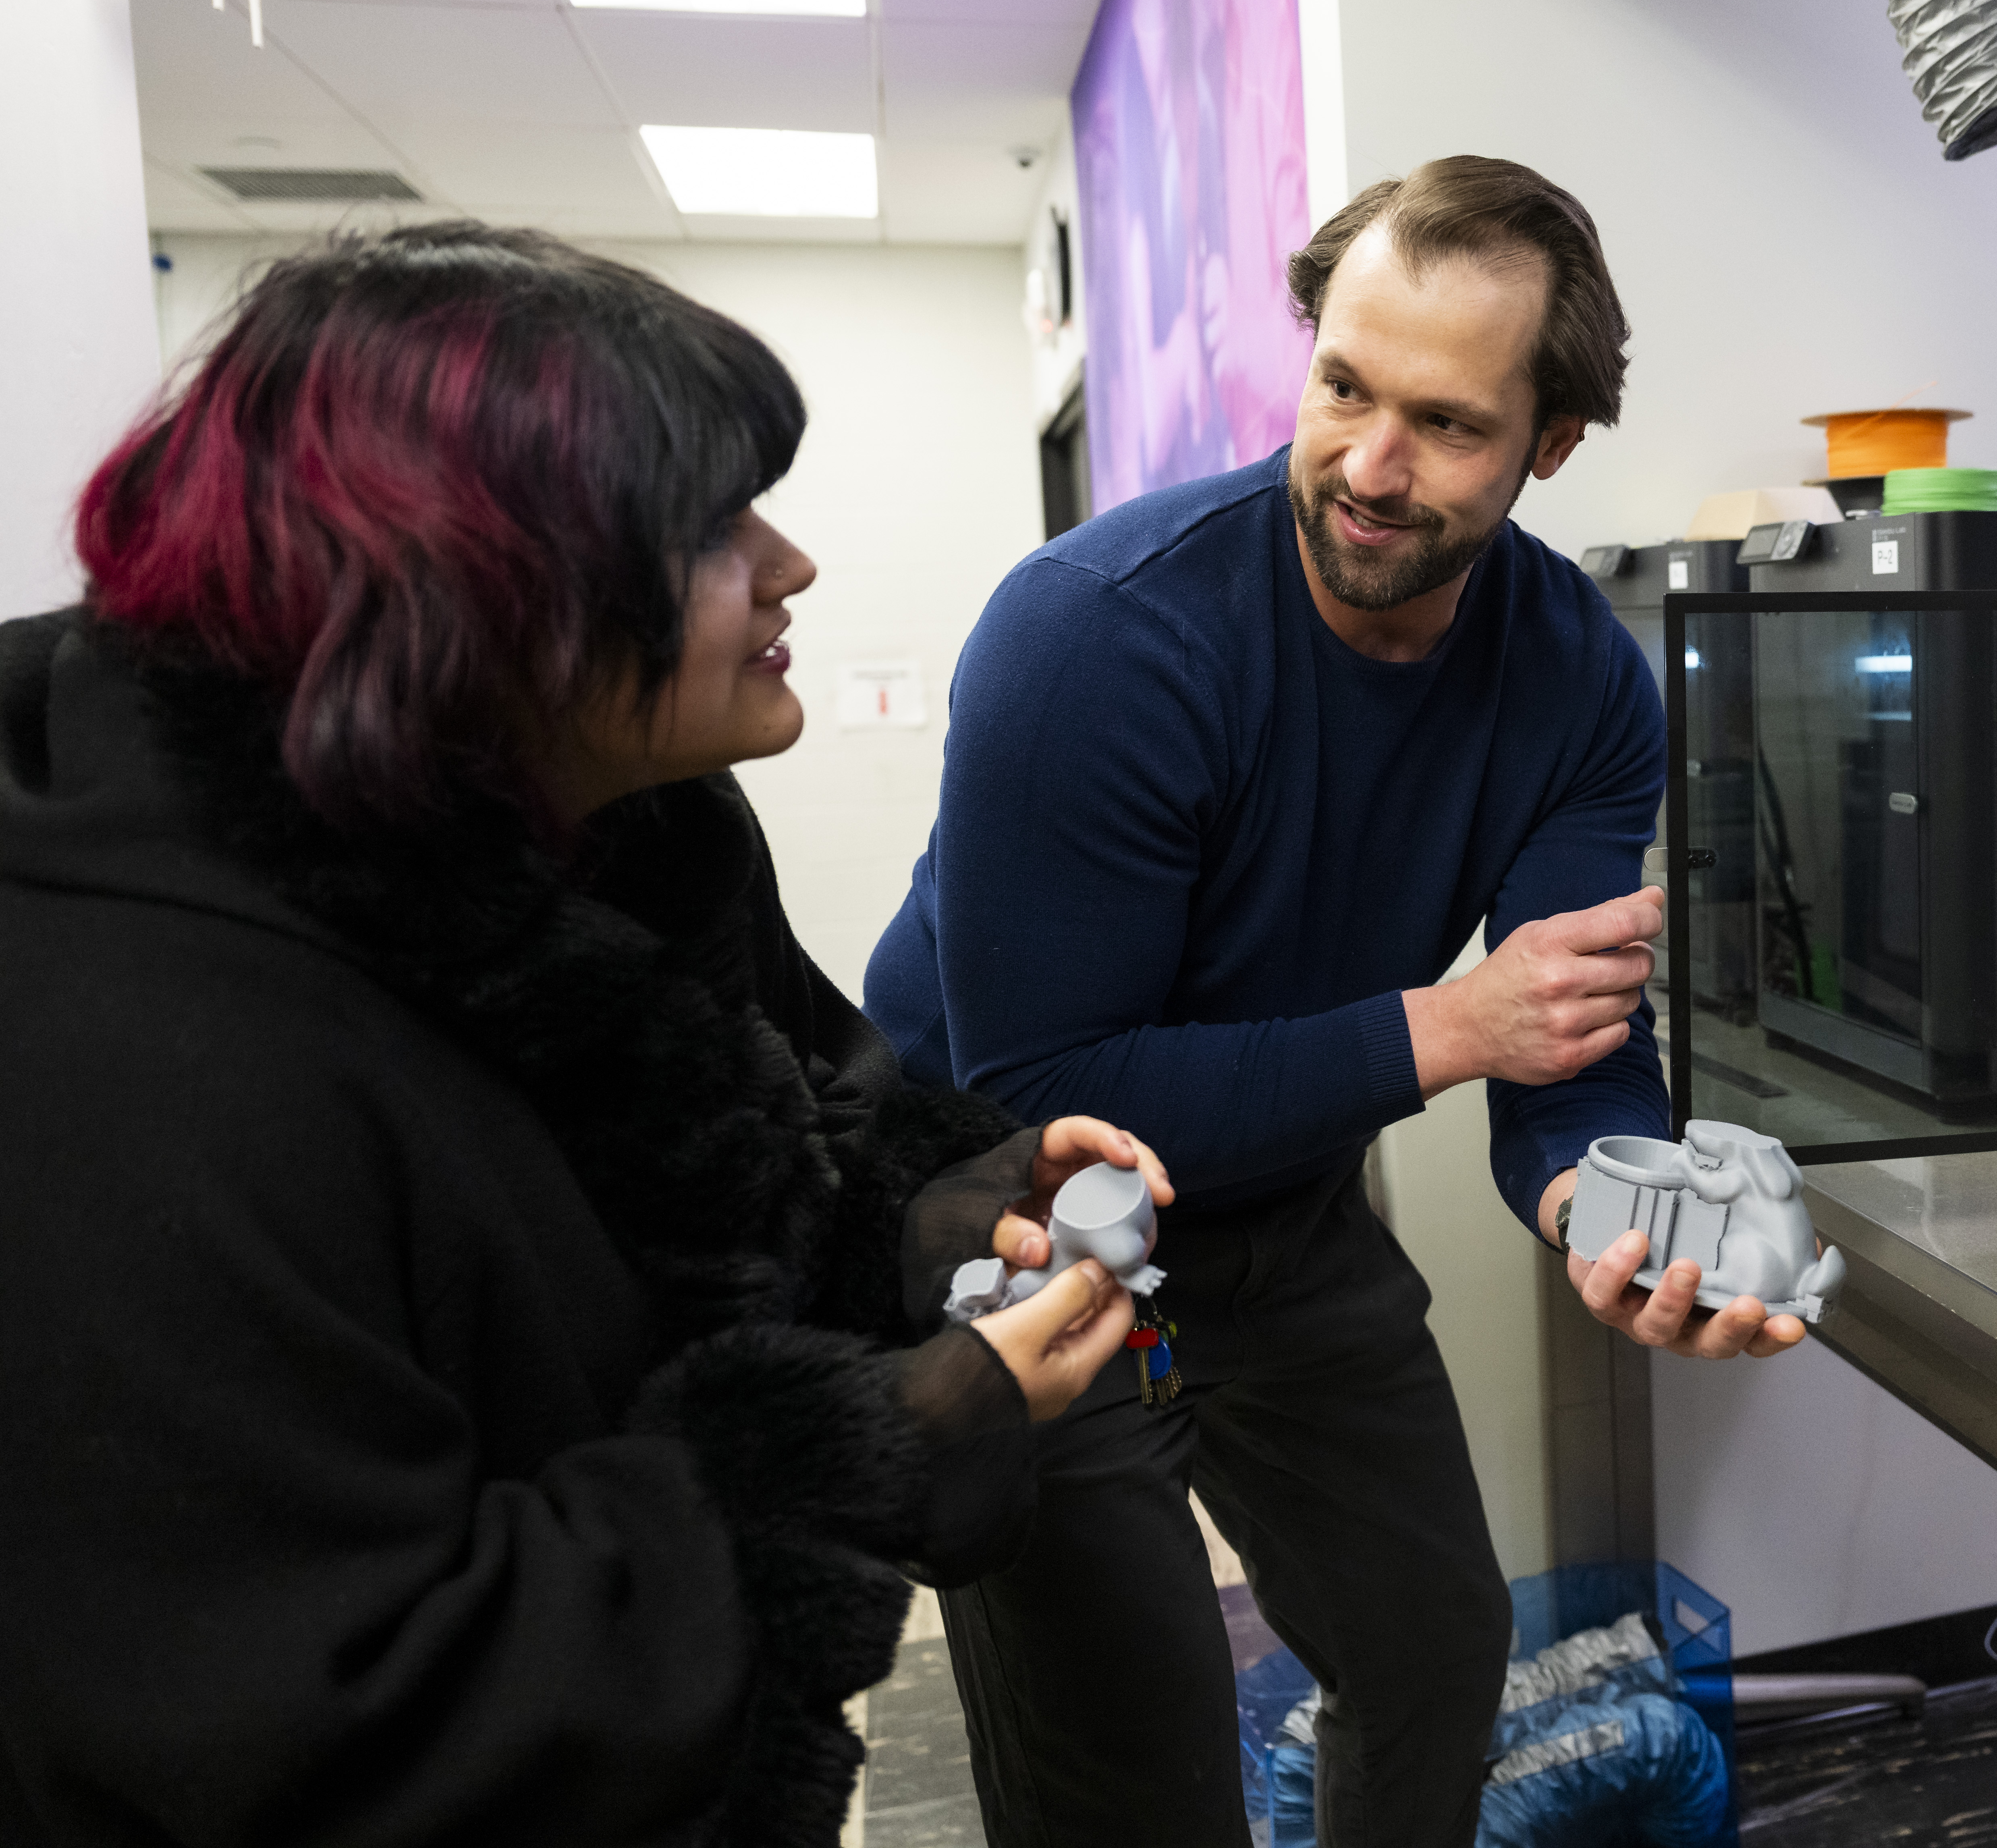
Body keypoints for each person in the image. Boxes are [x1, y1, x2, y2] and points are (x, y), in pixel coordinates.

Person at [0, 224, 1163, 1847]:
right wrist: (865, 1453)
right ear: (479, 587)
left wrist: (932, 1215)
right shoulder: (132, 1052)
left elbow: (781, 1139)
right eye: (708, 527)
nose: (793, 565)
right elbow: (301, 1725)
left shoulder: (637, 826)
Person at [865, 155, 1802, 1845]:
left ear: (1551, 443)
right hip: (1028, 1210)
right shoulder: (1094, 637)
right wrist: (1451, 1027)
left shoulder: (1582, 678)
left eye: (1444, 423)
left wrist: (1615, 1206)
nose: (1367, 468)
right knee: (1132, 1758)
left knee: (1432, 1642)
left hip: (1281, 1209)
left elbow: (1568, 1030)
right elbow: (1052, 1078)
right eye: (1342, 386)